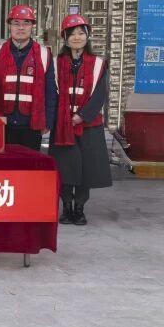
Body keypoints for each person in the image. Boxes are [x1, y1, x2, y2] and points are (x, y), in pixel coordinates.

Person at [51, 14, 113, 226]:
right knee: (65, 168)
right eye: (72, 34)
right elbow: (52, 93)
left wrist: (82, 116)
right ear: (65, 38)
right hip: (62, 126)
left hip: (89, 126)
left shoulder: (98, 64)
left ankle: (79, 208)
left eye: (81, 33)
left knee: (86, 170)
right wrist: (60, 118)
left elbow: (100, 95)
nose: (77, 37)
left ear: (87, 36)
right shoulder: (56, 63)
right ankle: (66, 207)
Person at [0, 5, 57, 151]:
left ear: (32, 26)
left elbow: (51, 91)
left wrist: (48, 121)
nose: (21, 27)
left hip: (31, 125)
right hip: (2, 123)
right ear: (9, 25)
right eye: (16, 23)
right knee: (3, 164)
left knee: (30, 164)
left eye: (26, 23)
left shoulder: (44, 54)